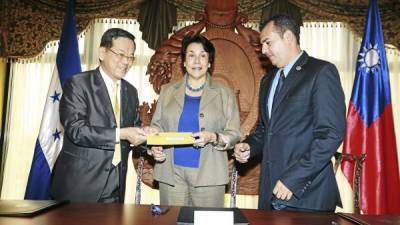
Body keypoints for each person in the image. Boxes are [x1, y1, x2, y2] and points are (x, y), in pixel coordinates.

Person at [234, 14, 346, 212]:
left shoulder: (321, 72)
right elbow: (265, 130)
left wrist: (294, 179)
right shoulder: (267, 81)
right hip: (270, 191)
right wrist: (249, 147)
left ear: (288, 37)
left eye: (268, 43)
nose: (263, 50)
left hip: (307, 195)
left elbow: (330, 135)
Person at [51, 28, 152, 203]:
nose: (126, 62)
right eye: (120, 54)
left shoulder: (130, 91)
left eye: (130, 57)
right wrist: (121, 133)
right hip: (79, 186)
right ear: (102, 52)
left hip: (115, 186)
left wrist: (150, 142)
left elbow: (132, 135)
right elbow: (76, 130)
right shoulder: (78, 83)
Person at [148, 34, 240, 207]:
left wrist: (213, 137)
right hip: (170, 173)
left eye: (203, 55)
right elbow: (156, 127)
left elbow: (234, 133)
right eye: (191, 55)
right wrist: (154, 147)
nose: (196, 60)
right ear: (183, 61)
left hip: (210, 175)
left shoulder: (225, 92)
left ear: (210, 62)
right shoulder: (167, 91)